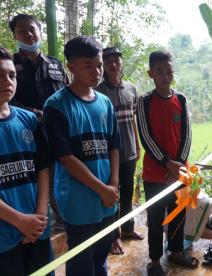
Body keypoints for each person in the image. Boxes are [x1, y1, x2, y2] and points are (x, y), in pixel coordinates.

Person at [43, 36, 120, 276]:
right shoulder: (56, 106)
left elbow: (114, 146)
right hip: (78, 201)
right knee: (81, 260)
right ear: (71, 67)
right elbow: (65, 157)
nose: (97, 72)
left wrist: (114, 184)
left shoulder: (105, 103)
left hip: (107, 197)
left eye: (99, 65)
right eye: (88, 66)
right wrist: (101, 189)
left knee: (101, 253)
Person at [137, 50, 197, 276]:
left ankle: (175, 251)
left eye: (169, 71)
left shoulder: (180, 99)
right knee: (155, 217)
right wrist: (168, 164)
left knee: (178, 212)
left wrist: (179, 165)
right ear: (150, 73)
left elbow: (187, 135)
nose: (165, 76)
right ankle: (154, 260)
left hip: (180, 171)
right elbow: (146, 137)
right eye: (160, 72)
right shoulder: (144, 101)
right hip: (155, 173)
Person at [9, 13, 68, 232]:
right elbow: (8, 99)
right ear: (15, 35)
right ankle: (35, 220)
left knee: (58, 173)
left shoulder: (55, 65)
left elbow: (67, 94)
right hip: (24, 133)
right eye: (21, 30)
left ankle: (62, 220)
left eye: (32, 28)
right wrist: (33, 113)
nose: (28, 33)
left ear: (40, 31)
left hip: (57, 132)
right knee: (34, 176)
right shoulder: (10, 66)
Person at [0, 47, 52, 275]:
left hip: (38, 229)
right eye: (0, 75)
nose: (7, 81)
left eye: (11, 75)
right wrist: (20, 221)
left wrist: (40, 216)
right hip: (4, 237)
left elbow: (42, 168)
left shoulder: (29, 120)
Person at [97, 46, 143, 256]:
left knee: (126, 193)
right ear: (104, 65)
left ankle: (128, 229)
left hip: (130, 151)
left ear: (121, 63)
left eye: (117, 61)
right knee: (112, 194)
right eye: (109, 62)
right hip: (109, 154)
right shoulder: (98, 91)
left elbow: (133, 119)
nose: (114, 65)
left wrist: (138, 145)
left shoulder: (131, 89)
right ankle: (113, 237)